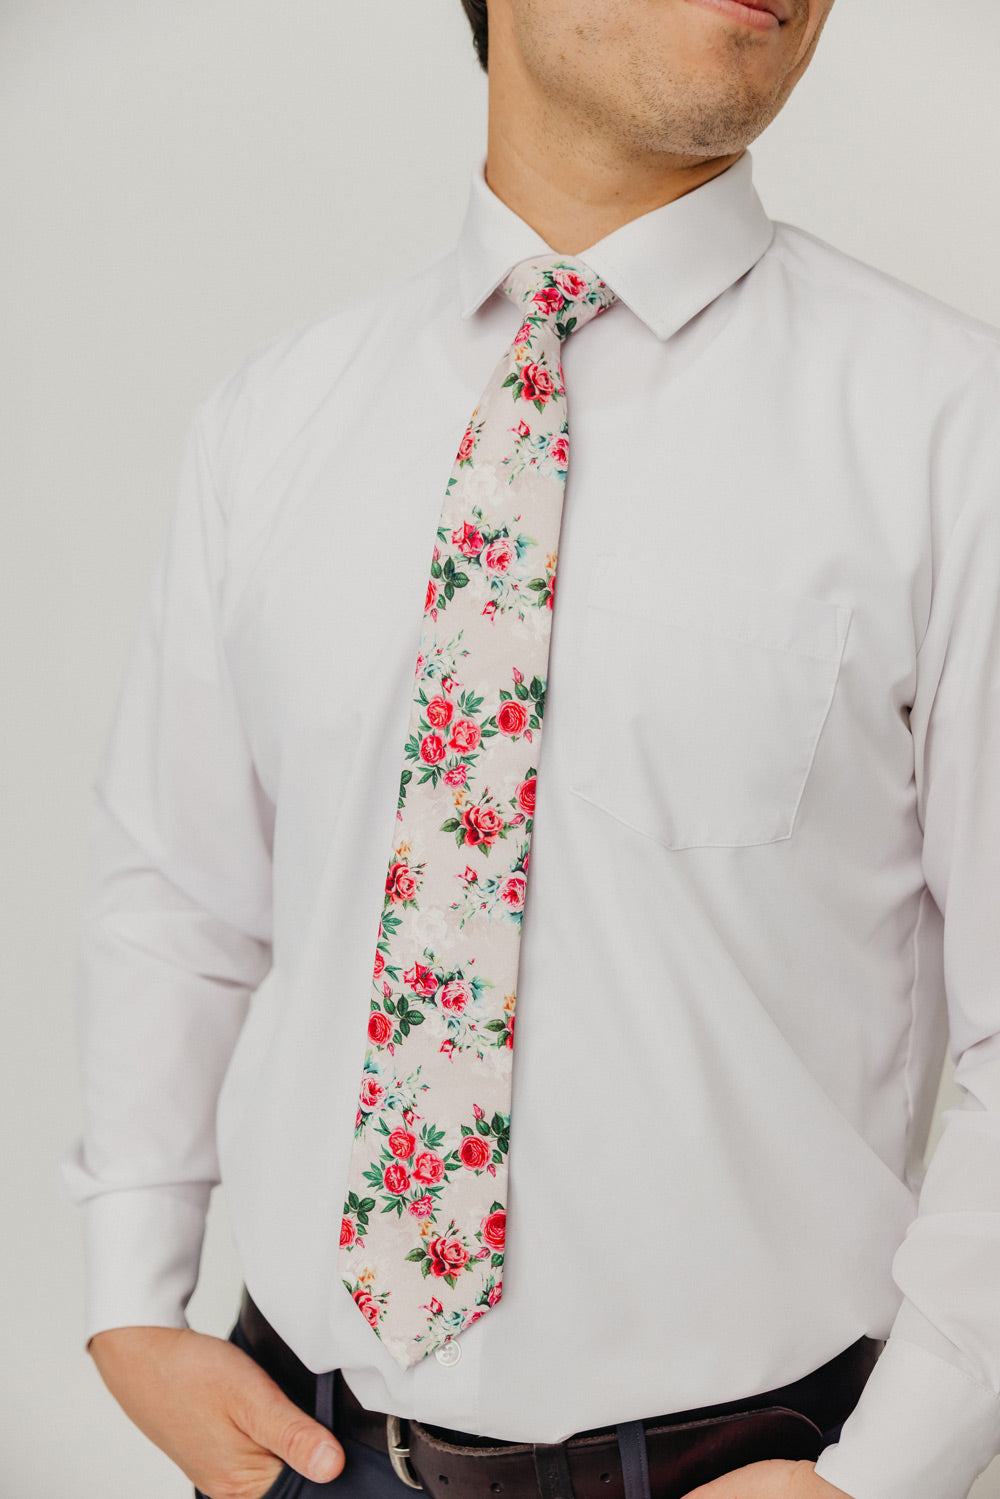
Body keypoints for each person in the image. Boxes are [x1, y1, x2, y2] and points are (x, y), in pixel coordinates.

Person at [62, 2, 1000, 1498]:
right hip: (299, 1444)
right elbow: (180, 894)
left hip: (747, 1466)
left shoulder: (954, 434)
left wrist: (891, 1472)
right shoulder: (274, 423)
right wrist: (129, 1296)